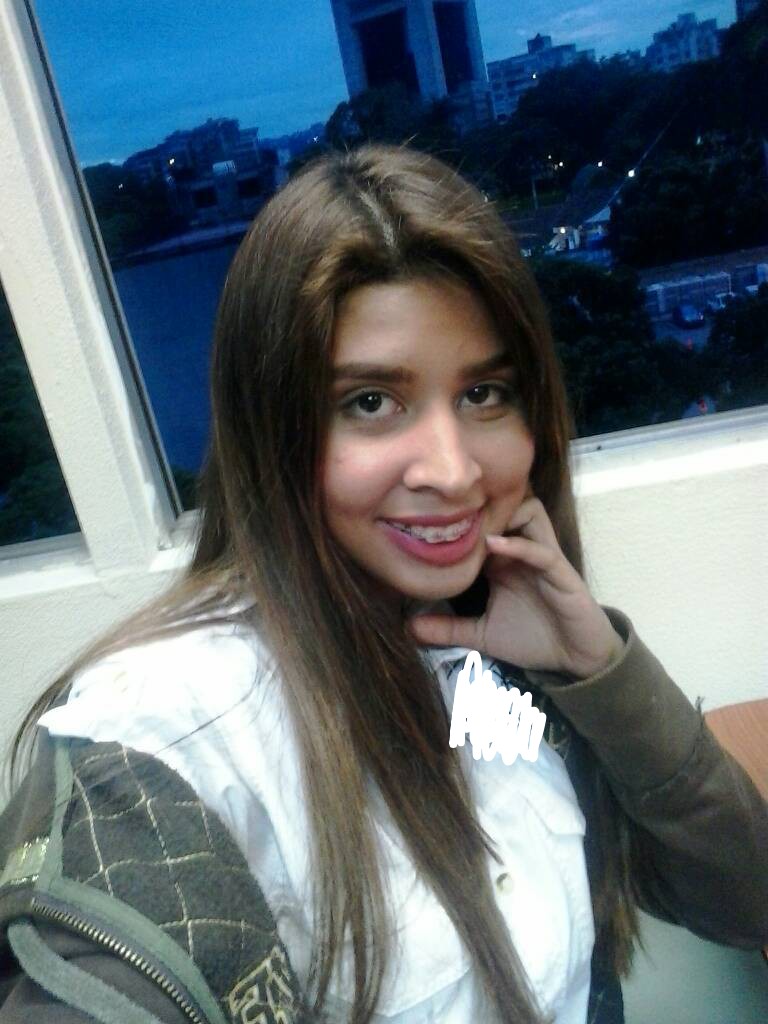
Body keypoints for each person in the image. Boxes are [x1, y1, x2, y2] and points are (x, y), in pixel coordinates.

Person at [0, 144, 766, 1024]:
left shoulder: (506, 641)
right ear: (273, 429)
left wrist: (600, 670)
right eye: (370, 402)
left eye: (485, 393)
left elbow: (744, 898)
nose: (453, 470)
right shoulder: (162, 743)